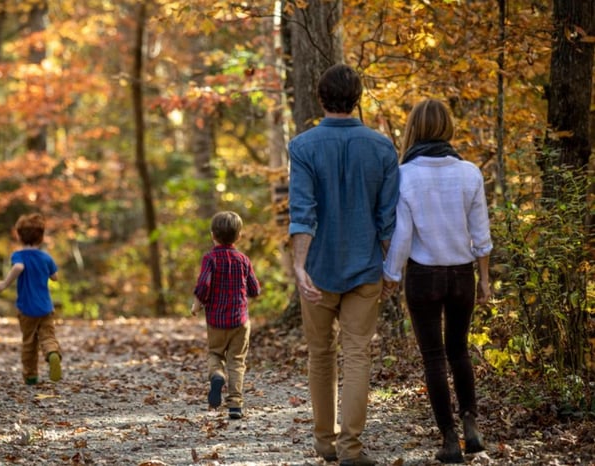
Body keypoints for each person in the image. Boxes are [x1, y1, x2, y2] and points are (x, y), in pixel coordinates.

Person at [288, 63, 400, 466]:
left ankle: (324, 442)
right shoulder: (382, 147)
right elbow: (388, 219)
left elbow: (303, 212)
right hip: (365, 266)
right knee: (357, 356)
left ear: (320, 99)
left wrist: (300, 267)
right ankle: (351, 449)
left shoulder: (303, 147)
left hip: (318, 269)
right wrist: (392, 267)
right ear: (358, 98)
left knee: (321, 354)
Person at [382, 98, 492, 464]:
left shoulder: (406, 175)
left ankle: (448, 439)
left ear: (415, 128)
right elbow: (482, 235)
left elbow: (402, 235)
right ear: (448, 127)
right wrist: (485, 280)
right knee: (459, 350)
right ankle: (471, 424)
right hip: (462, 273)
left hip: (424, 275)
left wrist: (391, 276)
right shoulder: (470, 172)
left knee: (434, 358)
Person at [191, 211, 261, 420]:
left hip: (216, 321)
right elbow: (254, 289)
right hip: (240, 320)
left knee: (215, 354)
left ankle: (217, 375)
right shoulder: (243, 260)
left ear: (213, 235)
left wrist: (196, 304)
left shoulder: (210, 258)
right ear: (239, 236)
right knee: (237, 361)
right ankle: (235, 405)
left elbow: (204, 284)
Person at [0, 213, 62, 385]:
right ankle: (52, 353)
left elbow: (18, 267)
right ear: (41, 237)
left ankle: (31, 376)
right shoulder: (46, 257)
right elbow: (55, 277)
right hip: (46, 307)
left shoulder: (18, 256)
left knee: (29, 343)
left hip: (26, 309)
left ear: (19, 236)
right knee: (47, 336)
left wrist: (4, 283)